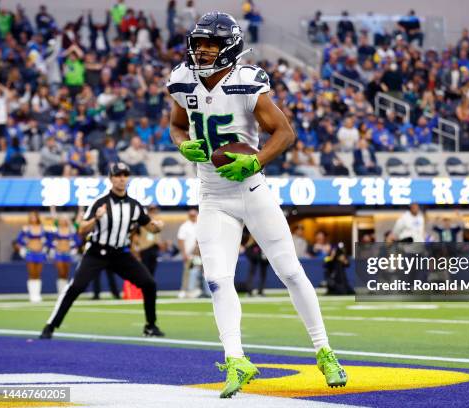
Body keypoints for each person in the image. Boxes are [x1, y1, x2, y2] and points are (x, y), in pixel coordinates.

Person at [167, 12, 346, 398]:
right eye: (198, 43)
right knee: (217, 280)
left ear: (229, 45)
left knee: (291, 272)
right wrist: (182, 144)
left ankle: (324, 351)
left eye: (210, 43)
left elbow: (285, 132)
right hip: (211, 196)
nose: (202, 50)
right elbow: (176, 124)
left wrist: (257, 160)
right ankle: (236, 359)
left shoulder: (247, 81)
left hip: (250, 190)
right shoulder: (182, 80)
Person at [39, 163, 165, 339]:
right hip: (97, 252)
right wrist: (95, 219)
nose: (122, 178)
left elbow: (150, 227)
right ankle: (50, 326)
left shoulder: (135, 205)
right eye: (118, 175)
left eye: (124, 175)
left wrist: (158, 226)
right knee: (75, 287)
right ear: (111, 178)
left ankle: (150, 326)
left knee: (149, 283)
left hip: (121, 253)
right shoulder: (100, 202)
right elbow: (82, 229)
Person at [16, 211, 48, 302]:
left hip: (40, 253)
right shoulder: (26, 228)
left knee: (38, 273)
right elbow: (19, 240)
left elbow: (47, 241)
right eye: (31, 217)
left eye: (34, 217)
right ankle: (32, 295)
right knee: (32, 273)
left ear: (37, 218)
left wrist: (45, 248)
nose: (33, 218)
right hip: (30, 253)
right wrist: (22, 249)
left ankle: (37, 294)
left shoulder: (42, 228)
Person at [49, 215, 81, 295]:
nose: (63, 221)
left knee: (66, 273)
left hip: (68, 254)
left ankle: (64, 291)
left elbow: (78, 241)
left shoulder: (71, 230)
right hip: (58, 254)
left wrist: (72, 247)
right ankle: (60, 291)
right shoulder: (55, 230)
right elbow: (49, 241)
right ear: (59, 221)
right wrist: (54, 247)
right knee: (61, 272)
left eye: (65, 220)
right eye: (61, 220)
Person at [176, 208, 200, 298]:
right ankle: (183, 290)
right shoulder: (185, 226)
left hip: (198, 254)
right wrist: (184, 253)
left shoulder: (199, 225)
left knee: (197, 272)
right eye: (192, 215)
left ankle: (195, 289)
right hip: (188, 254)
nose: (193, 217)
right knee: (187, 272)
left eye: (194, 215)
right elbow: (180, 240)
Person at [135, 204, 163, 277]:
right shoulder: (142, 220)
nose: (153, 212)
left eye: (154, 210)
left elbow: (157, 235)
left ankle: (150, 286)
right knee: (144, 269)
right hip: (144, 248)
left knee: (152, 269)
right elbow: (136, 236)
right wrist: (136, 248)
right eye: (152, 210)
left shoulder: (158, 221)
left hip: (154, 247)